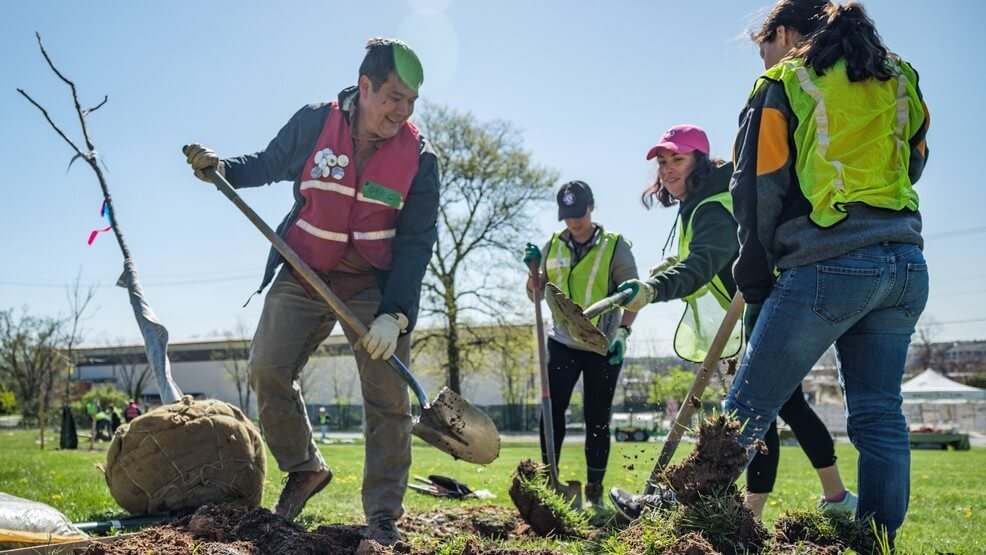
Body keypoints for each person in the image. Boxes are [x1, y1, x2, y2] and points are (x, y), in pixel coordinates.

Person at [184, 37, 439, 545]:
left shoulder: (420, 158)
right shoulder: (314, 122)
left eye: (411, 101)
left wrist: (395, 315)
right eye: (393, 96)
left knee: (389, 398)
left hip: (372, 285)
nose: (402, 110)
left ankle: (383, 514)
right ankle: (304, 467)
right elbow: (268, 163)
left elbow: (416, 244)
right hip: (305, 271)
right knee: (266, 367)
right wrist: (224, 169)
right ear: (364, 86)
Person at [724, 0, 929, 541]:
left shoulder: (782, 82)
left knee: (746, 406)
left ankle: (692, 525)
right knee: (879, 416)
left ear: (786, 33)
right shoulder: (899, 76)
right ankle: (874, 542)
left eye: (763, 45)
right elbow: (914, 160)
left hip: (829, 265)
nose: (762, 58)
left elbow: (755, 188)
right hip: (905, 265)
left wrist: (753, 271)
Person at [605, 124, 743, 519]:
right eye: (662, 162)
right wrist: (627, 327)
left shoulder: (713, 207)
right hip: (750, 319)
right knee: (767, 416)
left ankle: (682, 504)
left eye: (677, 159)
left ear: (699, 161)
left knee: (745, 419)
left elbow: (698, 268)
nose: (666, 170)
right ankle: (832, 497)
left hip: (759, 316)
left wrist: (654, 289)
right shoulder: (696, 205)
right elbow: (685, 262)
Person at [524, 180, 639, 508]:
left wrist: (623, 333)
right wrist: (533, 271)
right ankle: (550, 481)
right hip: (561, 342)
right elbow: (537, 291)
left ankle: (594, 491)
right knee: (551, 413)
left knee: (597, 418)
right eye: (567, 215)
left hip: (602, 346)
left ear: (592, 208)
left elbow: (633, 296)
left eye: (579, 214)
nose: (573, 222)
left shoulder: (615, 247)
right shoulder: (553, 246)